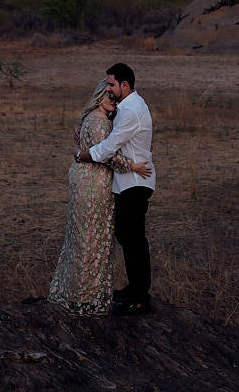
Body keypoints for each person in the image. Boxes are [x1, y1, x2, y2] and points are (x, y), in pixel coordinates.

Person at [48, 78, 150, 316]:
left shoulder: (88, 119)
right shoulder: (100, 122)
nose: (113, 101)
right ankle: (88, 299)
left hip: (81, 179)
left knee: (81, 235)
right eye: (109, 97)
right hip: (94, 182)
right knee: (94, 238)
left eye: (114, 97)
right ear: (98, 97)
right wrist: (133, 166)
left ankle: (73, 293)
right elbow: (107, 155)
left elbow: (89, 147)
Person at [80, 62, 155, 315]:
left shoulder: (131, 110)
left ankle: (140, 297)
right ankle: (135, 289)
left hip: (135, 183)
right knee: (128, 236)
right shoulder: (128, 107)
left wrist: (84, 155)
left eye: (112, 84)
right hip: (128, 182)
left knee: (133, 239)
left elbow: (109, 147)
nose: (109, 89)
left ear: (125, 85)